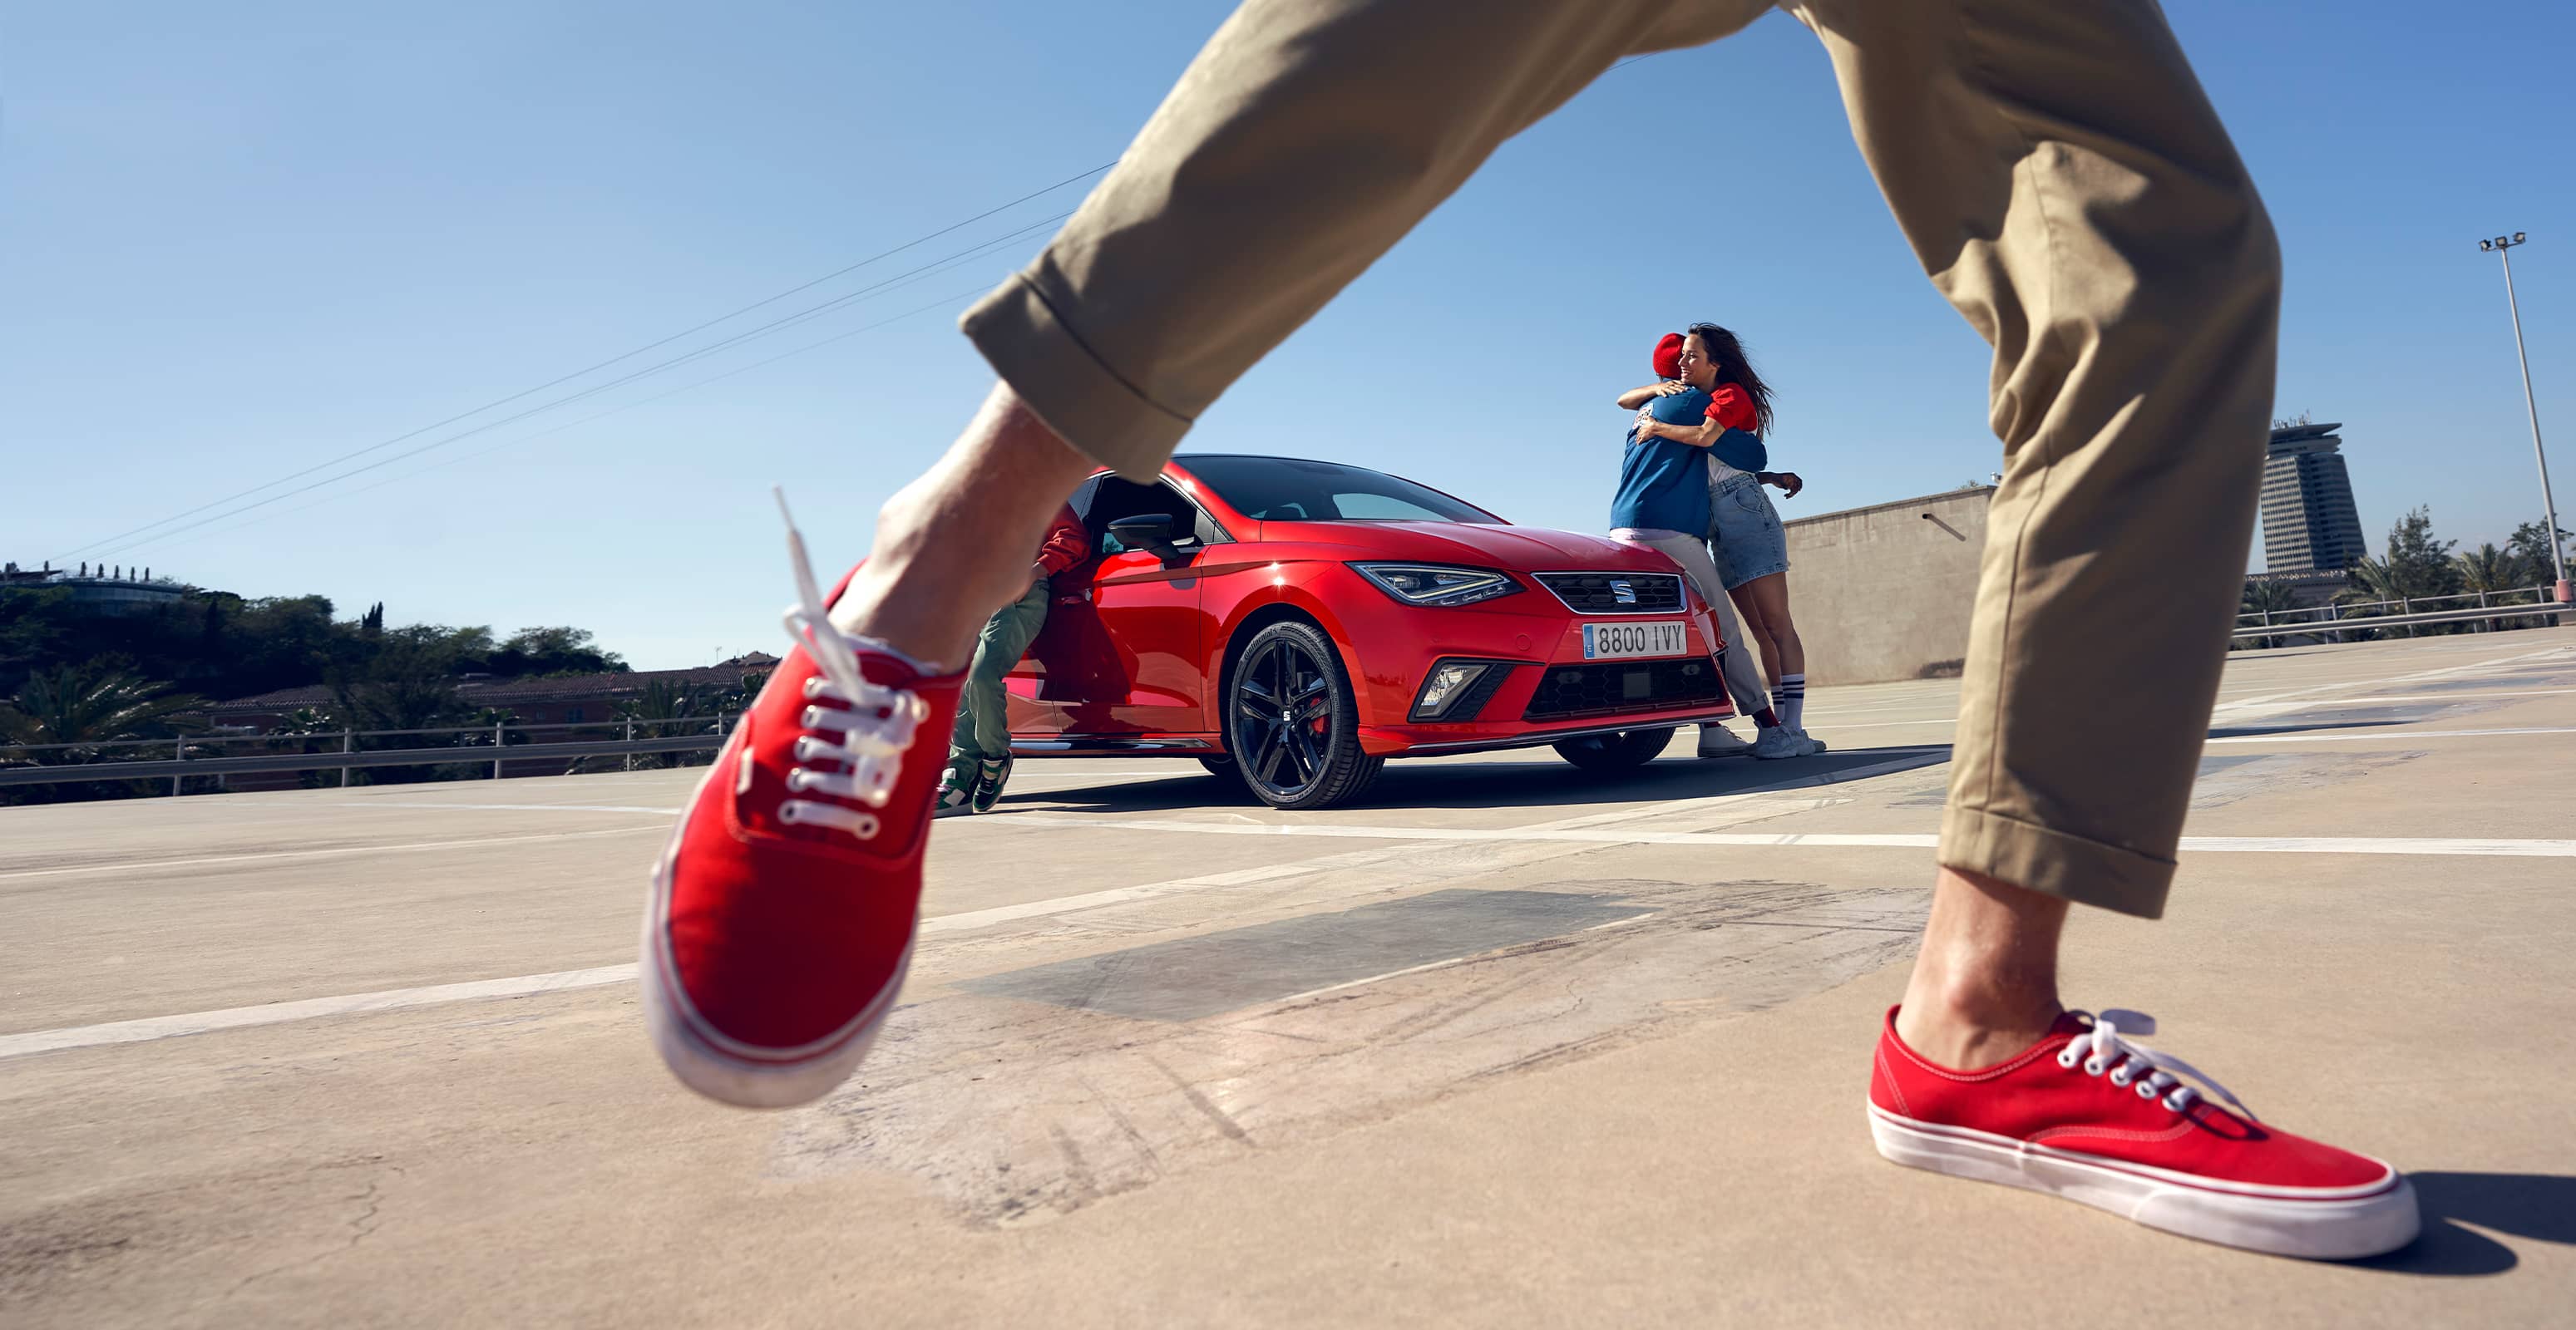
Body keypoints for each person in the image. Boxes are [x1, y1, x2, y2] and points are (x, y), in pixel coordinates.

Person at [642, 0, 2419, 1260]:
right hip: (1152, 557)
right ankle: (938, 566)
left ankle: (1980, 1018)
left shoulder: (1637, 452)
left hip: (1621, 544)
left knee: (2166, 258)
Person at [1620, 326, 1823, 753]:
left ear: (1715, 363)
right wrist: (1656, 393)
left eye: (1692, 356)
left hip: (1738, 514)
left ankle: (1788, 727)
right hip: (1711, 519)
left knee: (1769, 625)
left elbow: (1738, 452)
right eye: (1680, 359)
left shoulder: (1713, 400)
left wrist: (1656, 425)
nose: (1683, 364)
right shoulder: (1684, 401)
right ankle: (1749, 728)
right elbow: (1736, 461)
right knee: (1749, 631)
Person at [934, 506, 1091, 815]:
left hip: (1016, 590)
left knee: (981, 676)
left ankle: (995, 757)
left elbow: (1073, 537)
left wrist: (1036, 571)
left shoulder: (1037, 489)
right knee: (957, 683)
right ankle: (959, 777)